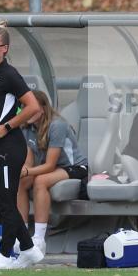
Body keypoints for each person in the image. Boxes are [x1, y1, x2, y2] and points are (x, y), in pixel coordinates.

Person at [0, 20, 43, 270]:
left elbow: (33, 107)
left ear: (5, 49)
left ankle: (5, 254)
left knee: (6, 201)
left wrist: (7, 126)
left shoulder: (9, 74)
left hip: (9, 146)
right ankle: (28, 248)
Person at [17, 89, 88, 255]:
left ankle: (39, 239)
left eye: (29, 106)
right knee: (20, 182)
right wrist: (21, 171)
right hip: (52, 169)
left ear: (42, 108)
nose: (25, 110)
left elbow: (49, 165)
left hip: (76, 167)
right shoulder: (26, 129)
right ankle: (21, 234)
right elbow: (28, 161)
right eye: (23, 106)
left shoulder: (57, 125)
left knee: (40, 180)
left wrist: (28, 172)